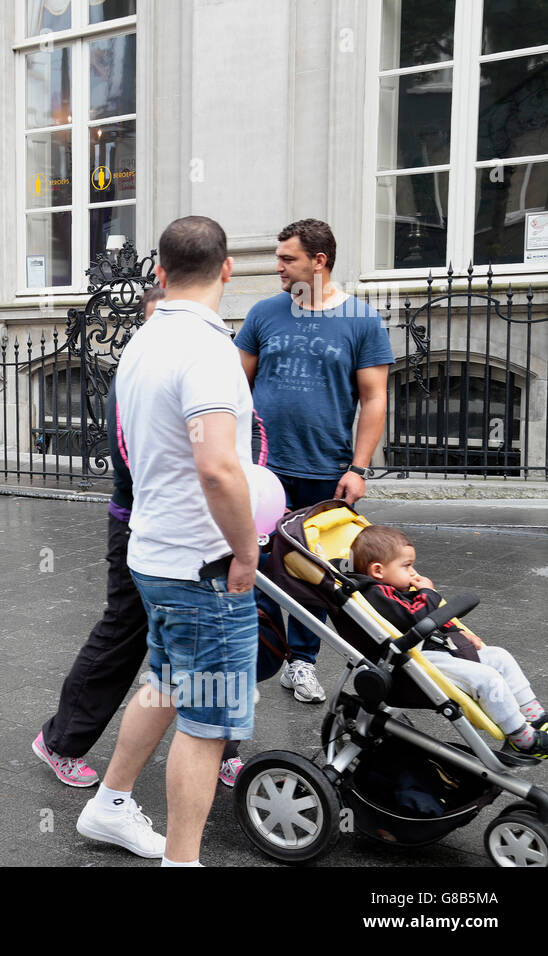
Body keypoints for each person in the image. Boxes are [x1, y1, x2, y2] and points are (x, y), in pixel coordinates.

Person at [78, 216, 258, 866]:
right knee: (206, 723)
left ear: (158, 272)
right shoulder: (208, 351)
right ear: (228, 268)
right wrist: (246, 548)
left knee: (166, 681)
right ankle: (183, 862)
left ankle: (109, 803)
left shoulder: (141, 343)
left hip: (154, 552)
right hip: (200, 565)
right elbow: (215, 465)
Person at [236, 219, 393, 706]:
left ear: (318, 261)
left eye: (287, 259)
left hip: (326, 468)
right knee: (258, 565)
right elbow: (232, 387)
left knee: (313, 570)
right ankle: (265, 654)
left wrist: (359, 468)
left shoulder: (362, 321)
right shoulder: (264, 314)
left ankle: (301, 663)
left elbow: (375, 399)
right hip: (263, 469)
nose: (278, 267)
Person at [32, 287, 164, 788]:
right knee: (124, 632)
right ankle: (61, 740)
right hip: (142, 523)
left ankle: (220, 747)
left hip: (192, 528)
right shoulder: (136, 373)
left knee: (204, 645)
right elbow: (135, 463)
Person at [351, 525, 548, 758]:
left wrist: (456, 630)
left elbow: (429, 617)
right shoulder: (376, 595)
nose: (414, 573)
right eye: (406, 566)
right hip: (417, 661)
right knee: (488, 679)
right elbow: (415, 614)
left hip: (437, 648)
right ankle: (520, 737)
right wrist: (428, 593)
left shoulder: (395, 588)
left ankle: (533, 715)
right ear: (378, 570)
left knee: (499, 656)